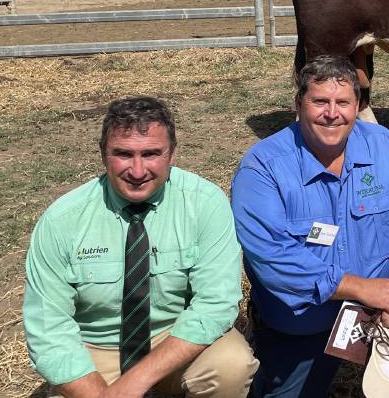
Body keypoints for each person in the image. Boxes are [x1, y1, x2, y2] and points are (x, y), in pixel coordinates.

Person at [232, 55, 389, 397]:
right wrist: (360, 288)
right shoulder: (263, 168)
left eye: (343, 102)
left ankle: (380, 381)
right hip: (304, 314)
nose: (332, 113)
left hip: (380, 300)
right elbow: (272, 258)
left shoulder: (383, 145)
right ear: (299, 104)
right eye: (320, 101)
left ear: (357, 105)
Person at [23, 97, 258, 398]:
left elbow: (215, 304)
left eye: (151, 154)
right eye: (123, 154)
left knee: (232, 365)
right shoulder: (63, 220)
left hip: (176, 340)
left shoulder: (204, 203)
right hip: (96, 350)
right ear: (103, 154)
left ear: (172, 154)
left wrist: (136, 380)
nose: (137, 170)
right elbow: (48, 327)